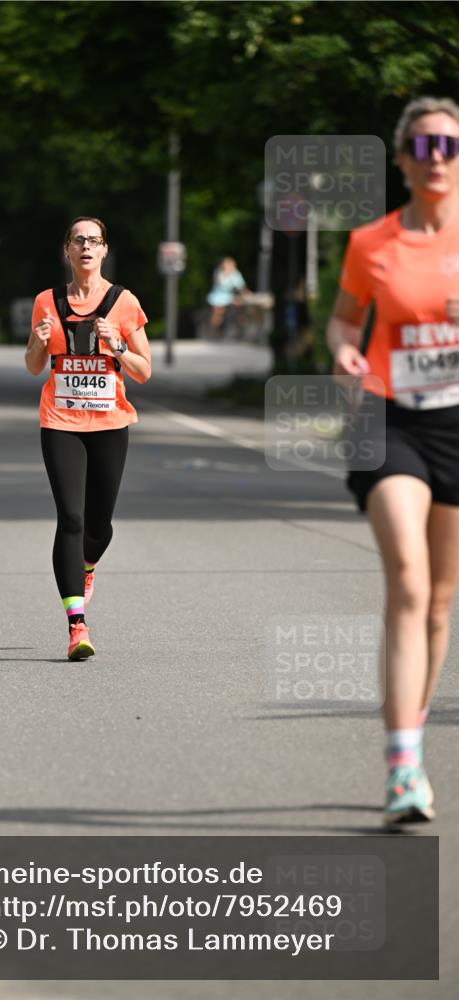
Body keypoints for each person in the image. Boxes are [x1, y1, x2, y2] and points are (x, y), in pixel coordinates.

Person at [327, 96, 459, 825]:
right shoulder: (371, 242)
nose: (437, 159)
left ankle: (409, 743)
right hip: (389, 415)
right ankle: (402, 762)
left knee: (439, 601)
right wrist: (344, 348)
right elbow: (346, 318)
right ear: (403, 159)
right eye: (424, 146)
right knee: (407, 578)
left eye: (449, 146)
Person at [26, 217, 152, 660]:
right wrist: (40, 343)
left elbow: (144, 369)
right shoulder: (47, 301)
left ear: (103, 250)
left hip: (109, 423)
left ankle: (87, 567)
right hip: (60, 420)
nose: (85, 247)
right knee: (72, 520)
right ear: (67, 250)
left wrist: (116, 344)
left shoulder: (124, 301)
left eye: (93, 241)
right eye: (78, 240)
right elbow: (32, 365)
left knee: (100, 527)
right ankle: (76, 625)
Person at [206, 256, 249, 331]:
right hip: (217, 295)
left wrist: (246, 294)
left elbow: (241, 286)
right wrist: (227, 273)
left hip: (229, 296)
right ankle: (214, 328)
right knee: (218, 311)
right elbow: (221, 284)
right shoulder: (219, 272)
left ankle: (241, 322)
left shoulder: (236, 273)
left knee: (241, 303)